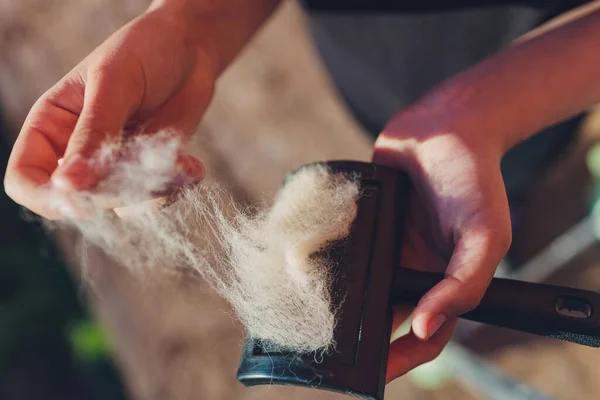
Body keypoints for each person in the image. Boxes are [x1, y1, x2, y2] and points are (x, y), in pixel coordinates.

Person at [4, 0, 600, 384]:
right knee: (468, 204)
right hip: (387, 84)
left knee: (511, 178)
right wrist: (190, 28)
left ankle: (514, 198)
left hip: (539, 79)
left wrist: (491, 107)